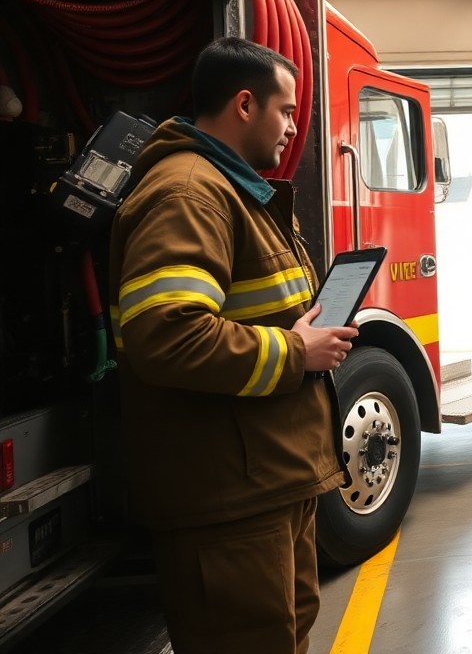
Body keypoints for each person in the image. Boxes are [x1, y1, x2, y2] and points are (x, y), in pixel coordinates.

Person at [109, 37, 358, 654]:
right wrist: (296, 353)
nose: (293, 126)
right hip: (228, 502)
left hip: (266, 483)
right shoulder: (189, 194)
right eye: (288, 110)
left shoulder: (235, 189)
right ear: (245, 104)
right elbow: (166, 334)